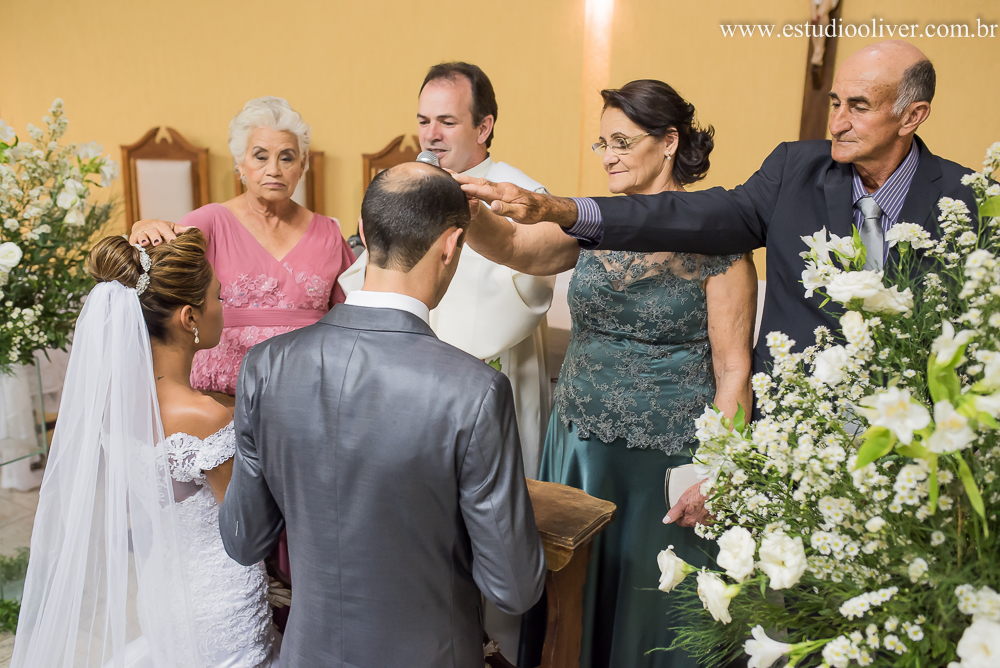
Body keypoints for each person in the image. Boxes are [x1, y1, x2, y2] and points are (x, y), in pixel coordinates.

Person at [458, 40, 979, 529]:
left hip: (908, 446)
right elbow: (701, 215)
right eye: (835, 102)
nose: (837, 122)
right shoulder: (795, 169)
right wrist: (556, 209)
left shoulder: (973, 202)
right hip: (779, 439)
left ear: (912, 115)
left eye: (858, 107)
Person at [463, 79, 756, 668]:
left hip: (667, 460)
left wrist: (718, 471)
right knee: (572, 602)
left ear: (669, 142)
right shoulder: (596, 223)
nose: (608, 157)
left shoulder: (720, 242)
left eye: (622, 142)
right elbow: (516, 246)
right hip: (580, 448)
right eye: (602, 143)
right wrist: (464, 209)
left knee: (652, 601)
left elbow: (733, 370)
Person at [218, 162, 547, 668]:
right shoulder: (474, 391)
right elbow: (514, 586)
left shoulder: (265, 365)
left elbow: (243, 539)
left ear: (364, 231)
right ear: (451, 245)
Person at [12, 231, 277, 668]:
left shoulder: (113, 406)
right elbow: (248, 530)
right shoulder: (206, 417)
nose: (223, 307)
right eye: (218, 296)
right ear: (189, 317)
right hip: (220, 605)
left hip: (159, 593)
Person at [340, 62, 554, 480]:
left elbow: (529, 288)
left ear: (483, 127)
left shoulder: (522, 196)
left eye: (447, 122)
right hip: (405, 379)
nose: (431, 135)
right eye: (423, 121)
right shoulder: (407, 186)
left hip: (488, 376)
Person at [130, 96, 356, 403]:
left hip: (308, 397)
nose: (274, 169)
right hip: (220, 398)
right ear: (240, 164)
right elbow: (157, 273)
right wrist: (142, 228)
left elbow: (353, 318)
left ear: (302, 165)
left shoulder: (328, 233)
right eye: (260, 157)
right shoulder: (209, 222)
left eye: (287, 158)